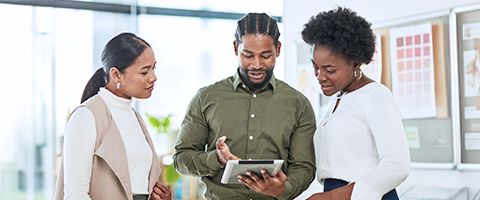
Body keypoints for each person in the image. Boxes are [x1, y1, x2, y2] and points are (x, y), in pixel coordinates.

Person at [172, 13, 317, 200]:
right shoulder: (206, 98)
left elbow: (304, 167)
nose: (256, 65)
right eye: (248, 55)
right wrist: (216, 158)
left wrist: (283, 188)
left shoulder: (298, 104)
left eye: (266, 56)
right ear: (235, 48)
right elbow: (181, 159)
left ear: (278, 49)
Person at [301, 7, 410, 200]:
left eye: (330, 70)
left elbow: (397, 166)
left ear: (356, 63)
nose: (320, 76)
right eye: (316, 67)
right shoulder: (338, 98)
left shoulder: (376, 96)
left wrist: (334, 196)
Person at [55, 32, 171, 200]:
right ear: (116, 74)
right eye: (144, 72)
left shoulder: (135, 117)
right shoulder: (86, 116)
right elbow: (75, 195)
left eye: (154, 68)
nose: (153, 77)